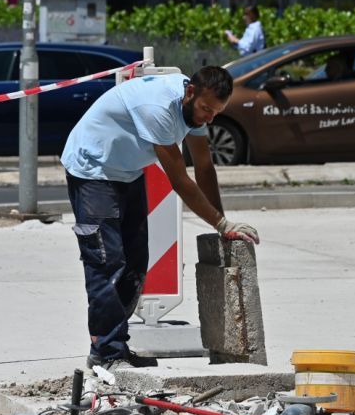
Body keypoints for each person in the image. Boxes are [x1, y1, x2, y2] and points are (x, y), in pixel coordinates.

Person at [60, 66, 260, 371]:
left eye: (216, 113)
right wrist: (220, 224)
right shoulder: (159, 108)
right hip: (92, 169)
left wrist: (224, 225)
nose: (209, 118)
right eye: (207, 109)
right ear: (190, 92)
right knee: (107, 262)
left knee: (136, 265)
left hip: (126, 172)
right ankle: (106, 352)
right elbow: (180, 180)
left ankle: (115, 345)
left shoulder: (196, 109)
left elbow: (204, 167)